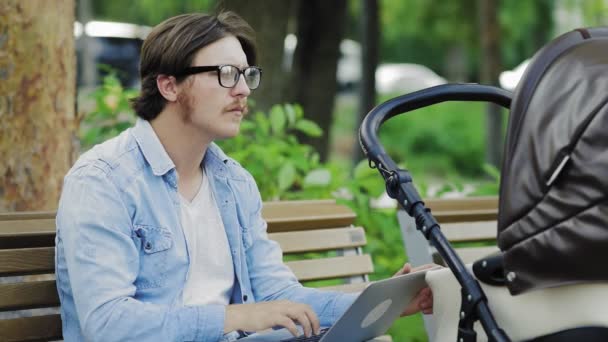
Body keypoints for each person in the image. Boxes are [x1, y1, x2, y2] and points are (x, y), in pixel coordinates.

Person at [55, 11, 433, 342]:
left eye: (246, 75)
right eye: (224, 74)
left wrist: (384, 303)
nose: (241, 90)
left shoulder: (233, 183)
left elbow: (275, 296)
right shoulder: (103, 181)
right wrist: (233, 318)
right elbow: (107, 324)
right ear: (168, 85)